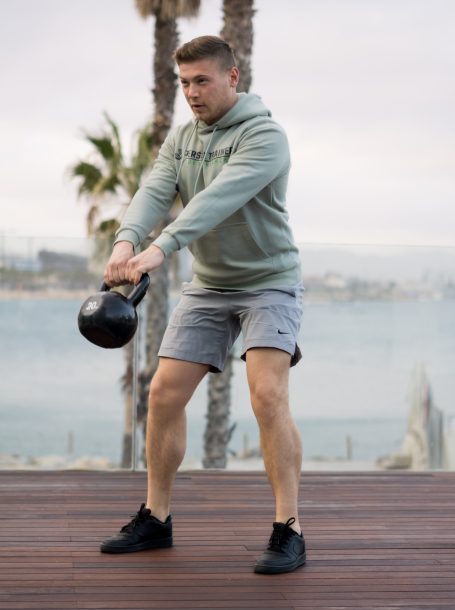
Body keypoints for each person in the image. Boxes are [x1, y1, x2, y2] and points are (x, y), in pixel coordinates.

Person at [100, 35, 306, 575]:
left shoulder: (266, 137)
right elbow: (154, 189)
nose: (190, 93)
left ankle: (288, 527)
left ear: (232, 78)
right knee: (164, 393)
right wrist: (125, 242)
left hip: (270, 281)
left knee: (266, 394)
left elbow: (216, 202)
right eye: (184, 83)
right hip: (210, 285)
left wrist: (158, 249)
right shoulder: (182, 138)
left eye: (201, 81)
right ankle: (156, 517)